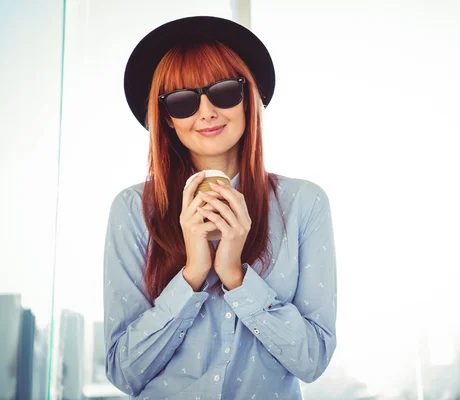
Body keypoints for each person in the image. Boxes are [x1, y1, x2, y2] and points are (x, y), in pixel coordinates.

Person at [103, 16, 337, 399]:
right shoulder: (132, 210)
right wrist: (193, 272)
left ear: (248, 98)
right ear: (167, 118)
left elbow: (312, 360)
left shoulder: (304, 204)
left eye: (225, 91)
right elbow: (123, 371)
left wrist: (234, 274)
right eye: (182, 101)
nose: (207, 112)